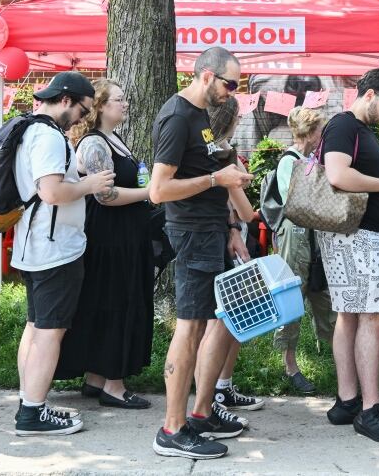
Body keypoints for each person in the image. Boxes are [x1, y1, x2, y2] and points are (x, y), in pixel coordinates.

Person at [149, 46, 254, 460]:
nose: (233, 92)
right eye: (231, 83)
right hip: (191, 233)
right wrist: (216, 179)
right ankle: (172, 429)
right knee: (189, 329)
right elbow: (159, 190)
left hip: (209, 232)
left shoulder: (199, 118)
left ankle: (200, 413)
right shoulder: (177, 117)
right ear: (207, 75)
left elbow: (209, 173)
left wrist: (231, 223)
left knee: (211, 324)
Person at [12, 72, 115, 436]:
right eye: (83, 109)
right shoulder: (49, 136)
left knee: (36, 327)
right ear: (67, 99)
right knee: (51, 332)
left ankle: (29, 400)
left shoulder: (30, 130)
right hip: (54, 248)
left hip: (34, 245)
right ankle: (33, 412)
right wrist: (90, 184)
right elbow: (52, 192)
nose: (82, 117)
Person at [319, 68, 379, 443]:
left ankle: (348, 401)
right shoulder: (345, 126)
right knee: (373, 316)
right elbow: (337, 175)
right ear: (369, 95)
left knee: (350, 314)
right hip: (357, 234)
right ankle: (369, 409)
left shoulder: (354, 128)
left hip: (351, 233)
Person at [53, 79, 154, 409]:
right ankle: (114, 383)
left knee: (112, 302)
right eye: (119, 100)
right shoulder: (94, 144)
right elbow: (106, 196)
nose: (125, 104)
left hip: (125, 234)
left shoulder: (115, 139)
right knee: (116, 303)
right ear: (100, 106)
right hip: (110, 238)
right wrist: (151, 193)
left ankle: (96, 377)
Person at [204, 97, 263, 425]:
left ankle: (222, 387)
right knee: (224, 322)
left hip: (225, 236)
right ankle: (212, 394)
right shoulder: (220, 154)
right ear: (231, 120)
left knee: (232, 319)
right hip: (227, 239)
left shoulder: (214, 149)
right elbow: (243, 207)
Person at [272, 106, 336, 394]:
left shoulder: (312, 159)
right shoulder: (289, 161)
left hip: (315, 238)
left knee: (325, 297)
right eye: (320, 130)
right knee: (292, 299)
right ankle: (290, 367)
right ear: (310, 133)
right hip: (295, 238)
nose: (322, 135)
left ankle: (342, 363)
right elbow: (293, 203)